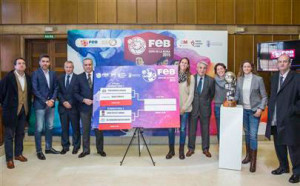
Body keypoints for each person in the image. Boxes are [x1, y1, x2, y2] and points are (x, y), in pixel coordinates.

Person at [265, 54, 300, 184]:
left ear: (289, 63)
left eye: (285, 61)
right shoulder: (274, 78)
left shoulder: (296, 77)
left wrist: (292, 110)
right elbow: (273, 96)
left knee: (294, 147)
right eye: (280, 62)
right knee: (279, 145)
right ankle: (283, 167)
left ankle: (297, 172)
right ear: (277, 64)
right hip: (275, 119)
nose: (282, 64)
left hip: (291, 119)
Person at [235, 60, 267, 172]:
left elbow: (264, 96)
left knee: (253, 135)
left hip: (254, 111)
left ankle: (253, 161)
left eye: (248, 66)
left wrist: (260, 108)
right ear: (242, 68)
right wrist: (230, 102)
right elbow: (237, 95)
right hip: (243, 111)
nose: (246, 68)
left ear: (251, 68)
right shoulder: (239, 80)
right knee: (247, 134)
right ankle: (248, 156)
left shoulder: (258, 79)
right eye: (244, 66)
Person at [0, 58, 32, 169]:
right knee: (9, 136)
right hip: (10, 111)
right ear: (14, 66)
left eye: (23, 63)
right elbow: (1, 93)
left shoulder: (28, 78)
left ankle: (18, 154)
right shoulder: (7, 78)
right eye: (19, 63)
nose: (21, 65)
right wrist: (5, 106)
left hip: (24, 110)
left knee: (20, 134)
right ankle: (9, 159)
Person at [74, 58, 106, 158]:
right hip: (84, 107)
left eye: (90, 64)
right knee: (86, 130)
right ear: (83, 66)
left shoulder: (99, 76)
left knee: (99, 130)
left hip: (97, 108)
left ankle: (100, 150)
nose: (88, 66)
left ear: (92, 65)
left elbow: (104, 89)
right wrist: (83, 100)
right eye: (86, 65)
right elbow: (75, 93)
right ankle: (86, 150)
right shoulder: (78, 77)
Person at [32, 54, 59, 160]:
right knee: (39, 128)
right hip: (40, 104)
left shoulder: (53, 73)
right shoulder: (35, 73)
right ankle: (39, 151)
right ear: (39, 63)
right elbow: (35, 89)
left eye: (47, 61)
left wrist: (52, 100)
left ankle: (48, 147)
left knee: (49, 126)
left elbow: (56, 87)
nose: (45, 63)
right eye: (43, 61)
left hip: (51, 105)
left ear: (50, 63)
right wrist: (45, 101)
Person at [166, 57, 195, 160]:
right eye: (182, 62)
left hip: (184, 109)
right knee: (170, 130)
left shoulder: (191, 77)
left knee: (182, 130)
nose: (183, 64)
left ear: (188, 65)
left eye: (185, 63)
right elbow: (167, 91)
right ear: (179, 64)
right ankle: (171, 151)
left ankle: (181, 151)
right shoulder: (172, 75)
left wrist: (184, 107)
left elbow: (191, 95)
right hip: (172, 109)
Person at [186, 61, 215, 158]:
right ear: (197, 68)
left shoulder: (211, 80)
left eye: (204, 68)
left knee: (205, 130)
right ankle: (191, 149)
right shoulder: (191, 78)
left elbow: (211, 95)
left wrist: (205, 102)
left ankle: (206, 149)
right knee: (192, 129)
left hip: (205, 109)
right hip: (193, 108)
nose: (202, 70)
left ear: (206, 69)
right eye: (200, 68)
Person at [57, 61, 81, 155]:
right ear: (64, 68)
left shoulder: (77, 78)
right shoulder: (59, 78)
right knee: (64, 128)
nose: (68, 69)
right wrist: (63, 102)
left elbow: (78, 92)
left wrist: (70, 102)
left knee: (75, 128)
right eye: (67, 67)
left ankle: (76, 146)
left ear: (73, 68)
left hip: (74, 107)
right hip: (63, 108)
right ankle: (65, 146)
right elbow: (58, 92)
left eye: (70, 67)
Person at [213, 63, 227, 141]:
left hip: (229, 106)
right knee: (219, 127)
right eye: (218, 69)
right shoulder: (213, 80)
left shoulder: (230, 78)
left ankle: (228, 145)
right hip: (218, 106)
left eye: (221, 68)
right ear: (216, 71)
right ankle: (221, 146)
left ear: (225, 69)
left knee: (228, 126)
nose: (220, 70)